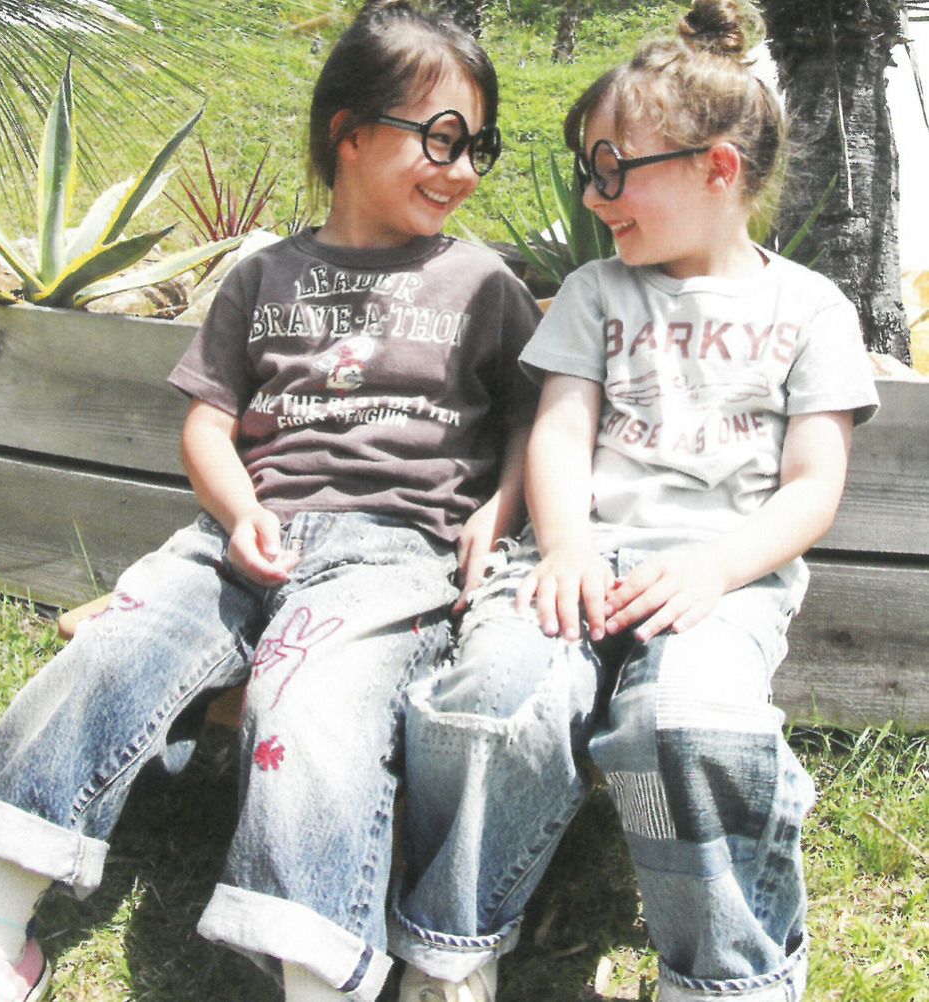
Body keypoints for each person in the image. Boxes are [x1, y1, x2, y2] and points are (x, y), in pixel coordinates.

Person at [0, 4, 542, 1001]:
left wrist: (499, 510)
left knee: (314, 713)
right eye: (440, 138)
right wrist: (240, 508)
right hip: (235, 535)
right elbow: (208, 427)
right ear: (349, 132)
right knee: (114, 647)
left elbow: (530, 421)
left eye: (479, 145)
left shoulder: (482, 284)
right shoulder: (263, 277)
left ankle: (315, 979)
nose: (463, 168)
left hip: (389, 552)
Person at [388, 2, 880, 1001]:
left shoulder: (810, 308)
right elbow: (560, 431)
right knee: (492, 698)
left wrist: (717, 568)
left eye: (615, 169)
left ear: (718, 169)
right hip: (574, 558)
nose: (592, 193)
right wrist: (564, 545)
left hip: (717, 582)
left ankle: (728, 977)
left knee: (688, 728)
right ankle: (450, 945)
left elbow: (811, 487)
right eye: (588, 169)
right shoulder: (595, 292)